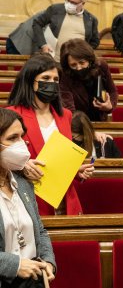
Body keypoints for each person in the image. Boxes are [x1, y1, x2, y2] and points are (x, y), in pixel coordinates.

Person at [7, 54, 94, 216]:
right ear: (30, 81)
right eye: (46, 78)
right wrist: (22, 165)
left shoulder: (65, 115)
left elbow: (59, 158)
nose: (52, 83)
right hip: (29, 198)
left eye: (55, 80)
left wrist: (75, 171)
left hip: (65, 201)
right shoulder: (11, 115)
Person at [0, 108, 58, 288]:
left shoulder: (23, 183)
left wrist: (48, 262)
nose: (21, 144)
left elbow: (40, 230)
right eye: (12, 138)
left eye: (21, 137)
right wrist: (15, 265)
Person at [58, 38, 118, 122]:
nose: (78, 68)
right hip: (77, 123)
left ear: (89, 60)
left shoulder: (101, 66)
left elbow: (112, 91)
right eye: (73, 65)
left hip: (100, 120)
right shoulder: (65, 75)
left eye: (82, 63)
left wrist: (109, 106)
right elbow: (69, 110)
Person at [32, 0, 99, 60]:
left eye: (73, 3)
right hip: (53, 59)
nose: (69, 4)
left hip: (76, 63)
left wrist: (84, 53)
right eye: (68, 0)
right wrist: (43, 45)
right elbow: (37, 23)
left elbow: (95, 41)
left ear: (82, 3)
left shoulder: (91, 19)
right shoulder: (55, 9)